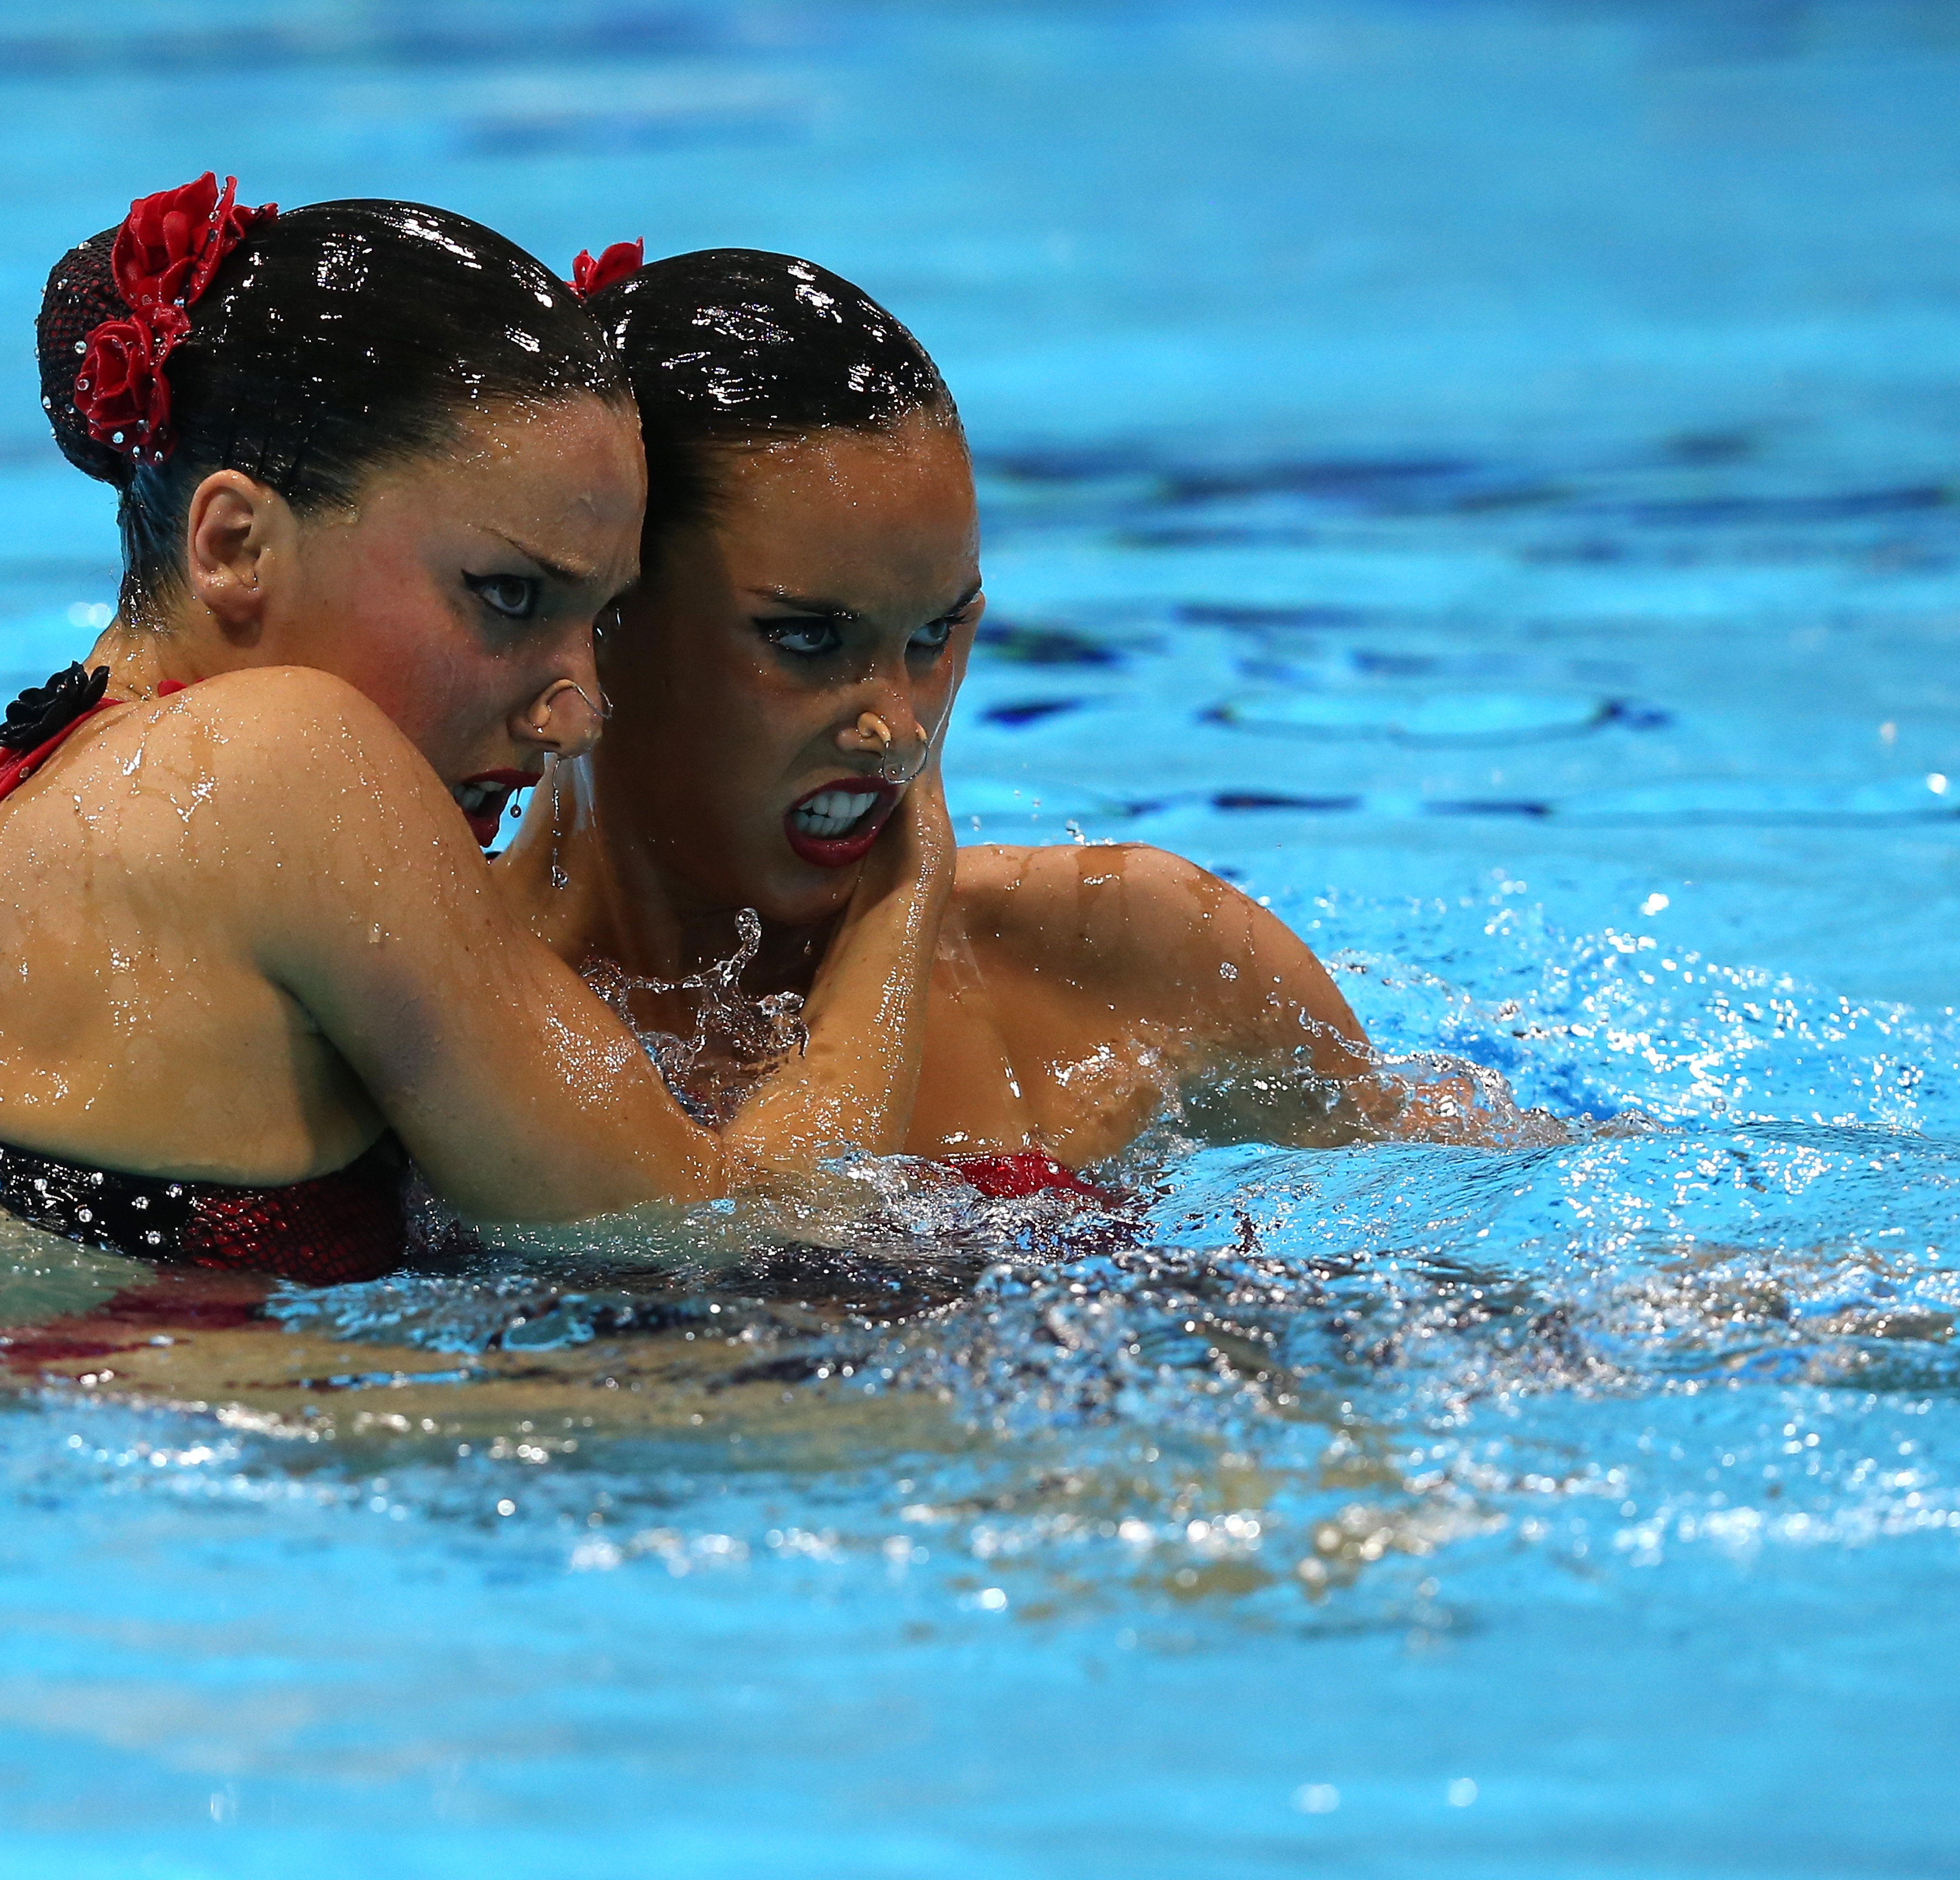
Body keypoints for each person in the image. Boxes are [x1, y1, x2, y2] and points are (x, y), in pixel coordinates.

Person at [0, 182, 954, 1286]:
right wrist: (904, 894)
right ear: (234, 545)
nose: (578, 708)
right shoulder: (289, 758)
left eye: (599, 619)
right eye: (506, 597)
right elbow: (746, 1233)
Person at [497, 247, 1430, 1185]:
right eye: (808, 639)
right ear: (596, 614)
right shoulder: (433, 1016)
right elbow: (751, 1231)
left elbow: (1462, 1235)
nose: (897, 731)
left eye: (935, 635)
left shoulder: (1135, 957)